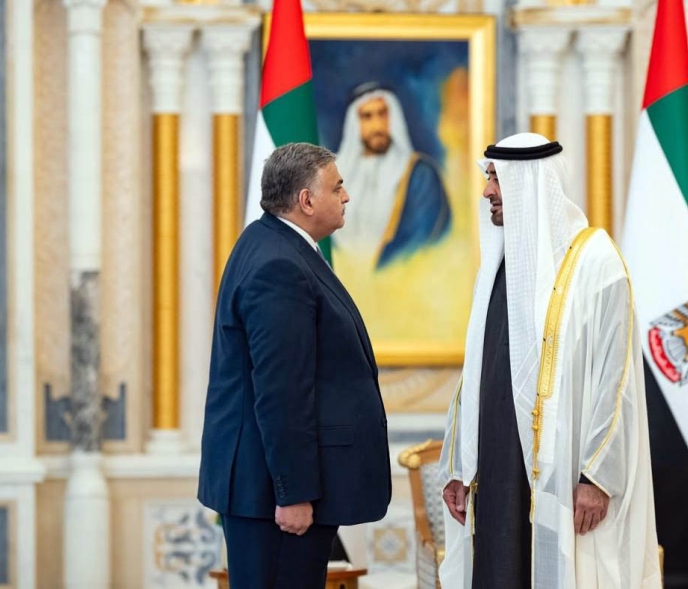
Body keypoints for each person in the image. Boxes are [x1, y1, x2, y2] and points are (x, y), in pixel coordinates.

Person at [438, 133, 661, 589]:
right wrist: (458, 466)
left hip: (564, 476)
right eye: (488, 178)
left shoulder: (596, 264)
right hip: (496, 470)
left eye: (497, 179)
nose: (488, 192)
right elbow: (475, 374)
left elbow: (616, 380)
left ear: (531, 182)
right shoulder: (498, 266)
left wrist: (597, 476)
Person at [197, 143, 391, 588]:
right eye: (337, 187)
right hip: (275, 499)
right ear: (306, 200)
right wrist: (294, 493)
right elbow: (281, 390)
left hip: (272, 490)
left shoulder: (271, 243)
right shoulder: (279, 264)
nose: (346, 196)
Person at [333, 83, 451, 269]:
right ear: (354, 124)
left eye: (383, 114)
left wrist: (380, 273)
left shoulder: (420, 174)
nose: (377, 126)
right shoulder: (334, 176)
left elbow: (423, 239)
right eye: (367, 117)